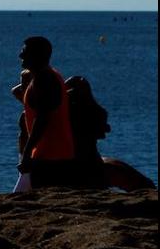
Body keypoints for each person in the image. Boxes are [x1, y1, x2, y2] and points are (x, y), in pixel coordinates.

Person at [15, 36, 76, 189]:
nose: (20, 55)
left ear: (37, 55)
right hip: (53, 153)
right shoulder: (46, 76)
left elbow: (43, 118)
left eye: (25, 52)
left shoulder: (44, 79)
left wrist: (27, 153)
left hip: (50, 156)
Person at [64, 75, 110, 189]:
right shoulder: (99, 111)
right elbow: (101, 133)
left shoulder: (68, 109)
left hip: (72, 155)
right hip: (91, 155)